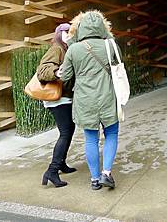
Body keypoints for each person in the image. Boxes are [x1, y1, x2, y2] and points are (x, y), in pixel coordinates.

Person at [60, 10, 121, 191]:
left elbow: (66, 77)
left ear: (81, 27)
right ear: (102, 26)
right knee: (111, 134)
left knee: (91, 139)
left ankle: (94, 179)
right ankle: (106, 173)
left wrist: (72, 43)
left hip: (85, 100)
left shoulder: (74, 49)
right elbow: (119, 67)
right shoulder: (110, 45)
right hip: (108, 97)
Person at [37, 23, 76, 188]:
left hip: (64, 97)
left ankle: (61, 163)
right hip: (57, 99)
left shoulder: (66, 49)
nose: (69, 35)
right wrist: (56, 72)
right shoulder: (57, 49)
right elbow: (42, 70)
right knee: (65, 132)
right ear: (59, 34)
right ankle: (52, 171)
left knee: (69, 130)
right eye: (66, 32)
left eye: (71, 32)